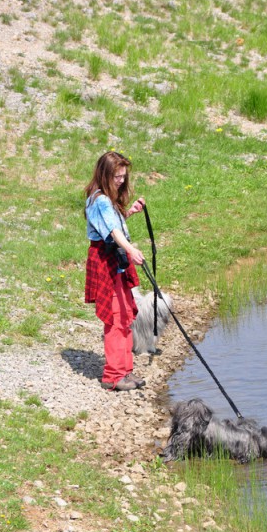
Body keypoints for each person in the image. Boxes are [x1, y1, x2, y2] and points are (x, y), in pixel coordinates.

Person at [84, 151, 146, 391]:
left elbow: (113, 224)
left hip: (115, 259)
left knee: (125, 316)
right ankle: (113, 376)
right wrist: (131, 250)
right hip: (106, 261)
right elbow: (111, 231)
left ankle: (125, 371)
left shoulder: (105, 200)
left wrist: (129, 212)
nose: (121, 180)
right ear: (105, 174)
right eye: (117, 176)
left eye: (123, 176)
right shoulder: (99, 200)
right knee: (115, 318)